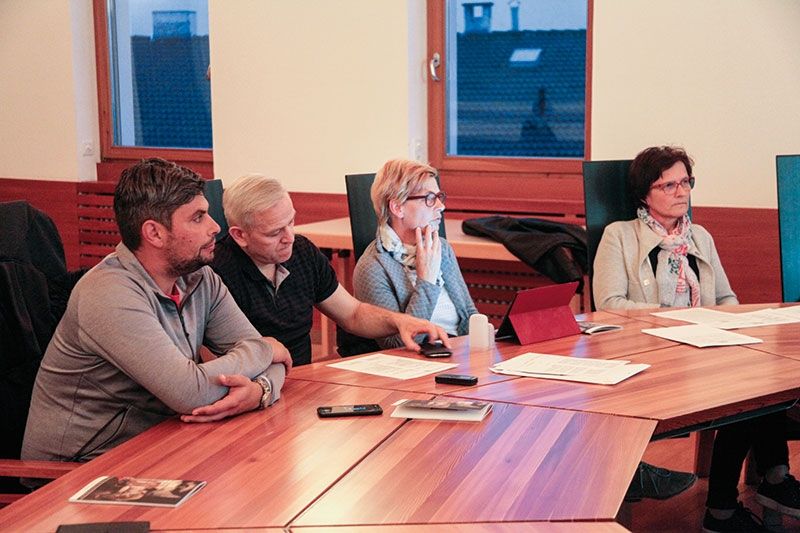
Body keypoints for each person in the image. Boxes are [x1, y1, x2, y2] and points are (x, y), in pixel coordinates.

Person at [22, 158, 290, 469]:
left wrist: (260, 391)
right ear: (155, 233)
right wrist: (264, 349)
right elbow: (191, 392)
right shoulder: (109, 294)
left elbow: (272, 366)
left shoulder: (200, 277)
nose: (215, 227)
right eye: (198, 217)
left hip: (158, 444)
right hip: (77, 470)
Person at [593, 146, 800, 531]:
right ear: (645, 194)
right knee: (742, 389)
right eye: (668, 185)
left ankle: (765, 483)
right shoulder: (619, 236)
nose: (682, 192)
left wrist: (734, 327)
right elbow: (609, 305)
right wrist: (680, 319)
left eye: (686, 182)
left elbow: (726, 298)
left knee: (761, 376)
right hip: (651, 356)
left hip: (706, 352)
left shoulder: (700, 236)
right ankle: (738, 499)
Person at [210, 174, 449, 366]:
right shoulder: (216, 273)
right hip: (253, 385)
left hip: (302, 382)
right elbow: (216, 360)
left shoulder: (303, 252)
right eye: (275, 232)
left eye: (291, 222)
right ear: (240, 235)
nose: (289, 237)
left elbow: (353, 314)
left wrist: (399, 321)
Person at [352, 159, 478, 348]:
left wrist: (488, 339)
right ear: (398, 207)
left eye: (439, 197)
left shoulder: (441, 247)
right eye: (429, 198)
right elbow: (395, 345)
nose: (441, 206)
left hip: (459, 349)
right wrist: (427, 281)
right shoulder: (372, 267)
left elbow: (468, 313)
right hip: (421, 357)